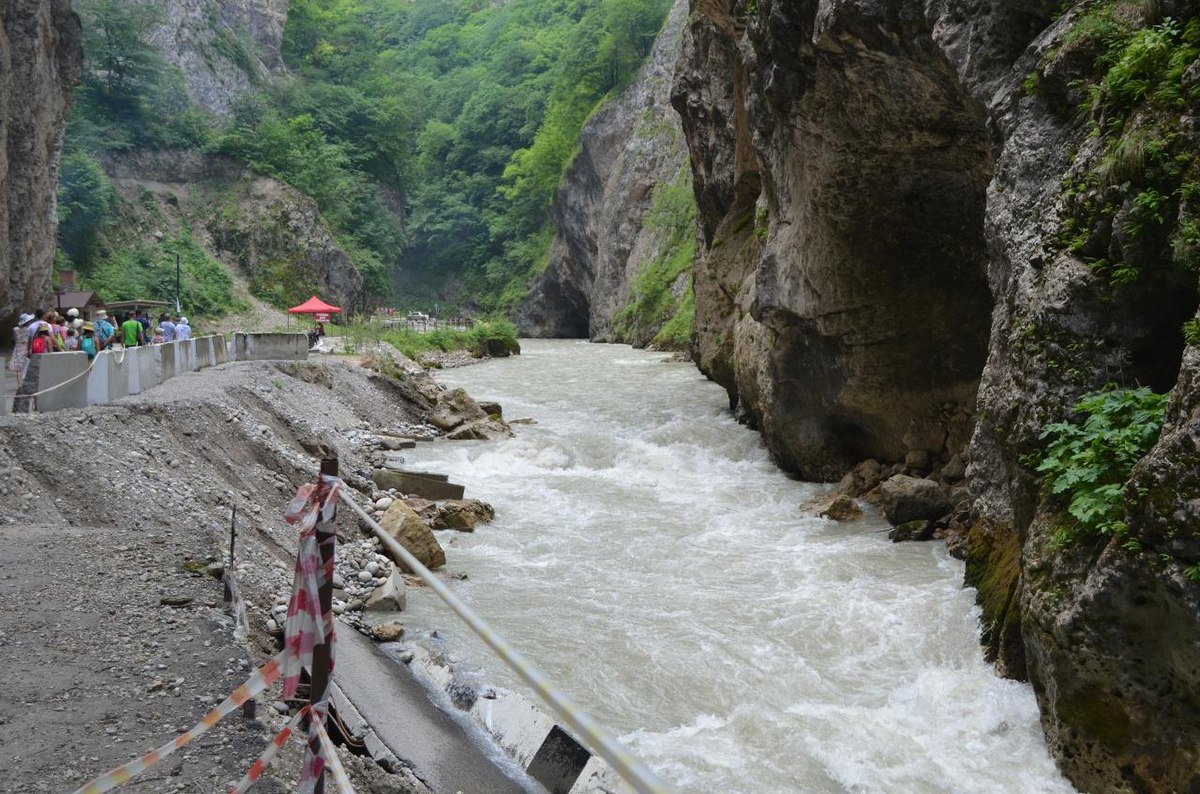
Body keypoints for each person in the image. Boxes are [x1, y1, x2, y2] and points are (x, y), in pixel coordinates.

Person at [7, 313, 35, 388]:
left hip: (18, 347)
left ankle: (19, 383)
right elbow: (30, 340)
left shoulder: (15, 329)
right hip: (25, 347)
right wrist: (30, 349)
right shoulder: (29, 330)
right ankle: (24, 382)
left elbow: (15, 339)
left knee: (18, 368)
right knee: (25, 365)